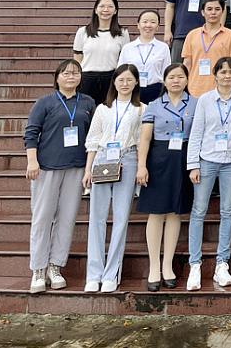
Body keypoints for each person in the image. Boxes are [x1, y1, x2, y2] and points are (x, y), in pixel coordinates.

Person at [25, 59, 96, 294]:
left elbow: (93, 136)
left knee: (66, 219)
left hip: (76, 167)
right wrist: (32, 161)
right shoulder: (45, 102)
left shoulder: (87, 103)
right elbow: (31, 132)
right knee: (42, 218)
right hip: (47, 167)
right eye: (66, 73)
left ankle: (55, 267)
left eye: (75, 73)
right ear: (57, 78)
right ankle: (38, 268)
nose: (71, 77)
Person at [185, 57, 231, 291]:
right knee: (199, 210)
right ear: (215, 75)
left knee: (228, 210)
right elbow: (196, 132)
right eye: (222, 72)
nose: (227, 76)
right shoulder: (205, 100)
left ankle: (222, 263)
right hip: (207, 160)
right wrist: (193, 164)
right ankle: (195, 264)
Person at [82, 63, 144, 293]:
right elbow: (93, 140)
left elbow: (142, 142)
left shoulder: (141, 109)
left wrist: (141, 167)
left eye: (129, 79)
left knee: (120, 218)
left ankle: (111, 274)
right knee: (96, 218)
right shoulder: (103, 109)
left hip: (128, 159)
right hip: (102, 159)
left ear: (136, 82)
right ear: (114, 82)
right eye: (121, 79)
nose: (125, 84)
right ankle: (93, 274)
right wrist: (88, 169)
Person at [136, 63, 194, 291]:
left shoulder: (195, 104)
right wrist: (142, 166)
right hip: (158, 159)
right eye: (171, 77)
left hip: (183, 160)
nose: (176, 81)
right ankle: (154, 267)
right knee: (156, 212)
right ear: (164, 81)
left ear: (187, 80)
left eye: (180, 77)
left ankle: (167, 266)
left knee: (174, 212)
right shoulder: (154, 105)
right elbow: (145, 139)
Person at [73, 0, 131, 106]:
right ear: (95, 10)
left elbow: (124, 59)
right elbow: (77, 59)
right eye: (102, 6)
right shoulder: (82, 32)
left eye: (110, 6)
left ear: (115, 11)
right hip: (87, 79)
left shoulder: (123, 33)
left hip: (111, 78)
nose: (106, 10)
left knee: (109, 110)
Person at [182, 0, 231, 98]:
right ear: (202, 12)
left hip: (221, 90)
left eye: (217, 9)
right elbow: (187, 63)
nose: (213, 12)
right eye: (209, 9)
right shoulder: (192, 35)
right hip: (194, 89)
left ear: (222, 12)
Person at [117, 10, 172, 104]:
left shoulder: (163, 48)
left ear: (158, 26)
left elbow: (166, 72)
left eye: (153, 22)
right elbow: (120, 72)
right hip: (132, 89)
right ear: (138, 25)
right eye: (145, 22)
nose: (148, 25)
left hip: (156, 90)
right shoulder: (127, 48)